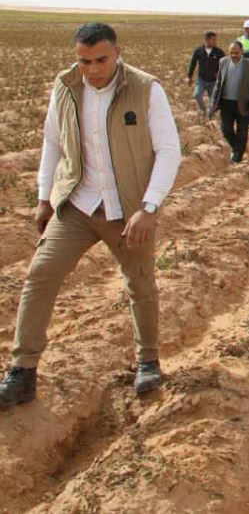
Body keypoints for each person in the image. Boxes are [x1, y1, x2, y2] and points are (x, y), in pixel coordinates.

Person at [0, 22, 181, 409]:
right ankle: (23, 371)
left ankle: (148, 361)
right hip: (78, 204)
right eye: (85, 61)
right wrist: (44, 198)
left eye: (101, 60)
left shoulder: (145, 89)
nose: (93, 69)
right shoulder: (66, 87)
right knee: (40, 274)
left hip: (128, 210)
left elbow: (169, 150)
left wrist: (149, 207)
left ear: (118, 53)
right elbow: (52, 143)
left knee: (140, 284)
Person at [210, 40, 249, 163]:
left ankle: (237, 157)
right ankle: (238, 149)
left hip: (243, 103)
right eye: (231, 52)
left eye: (236, 53)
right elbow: (218, 83)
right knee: (226, 129)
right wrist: (213, 103)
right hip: (226, 102)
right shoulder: (223, 62)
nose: (233, 55)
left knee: (242, 131)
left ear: (242, 51)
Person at [187, 31, 225, 120]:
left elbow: (225, 65)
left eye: (216, 40)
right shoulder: (199, 50)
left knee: (213, 101)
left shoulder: (219, 52)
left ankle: (210, 117)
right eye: (213, 40)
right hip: (201, 80)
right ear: (207, 40)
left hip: (214, 81)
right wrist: (190, 77)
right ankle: (203, 110)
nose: (215, 42)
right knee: (197, 95)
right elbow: (193, 63)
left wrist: (221, 75)